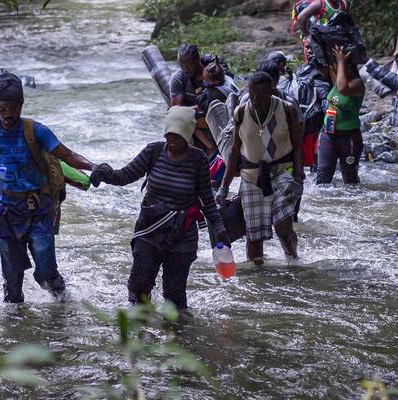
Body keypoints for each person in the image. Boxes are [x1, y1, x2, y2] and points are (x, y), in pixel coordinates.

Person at [89, 106, 227, 310]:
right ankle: (141, 331)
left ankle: (179, 334)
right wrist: (104, 172)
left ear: (188, 134)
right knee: (139, 287)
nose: (172, 139)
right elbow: (125, 176)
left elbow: (206, 198)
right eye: (168, 134)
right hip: (150, 230)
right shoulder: (153, 151)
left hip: (182, 236)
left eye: (177, 135)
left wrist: (219, 228)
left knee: (174, 296)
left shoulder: (197, 159)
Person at [0, 72, 93, 303]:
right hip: (7, 212)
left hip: (39, 210)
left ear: (21, 105)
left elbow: (67, 155)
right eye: (2, 109)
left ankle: (64, 304)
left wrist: (94, 167)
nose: (8, 114)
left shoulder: (36, 131)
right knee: (11, 279)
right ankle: (15, 325)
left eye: (13, 108)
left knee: (45, 272)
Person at [217, 72, 305, 265]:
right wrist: (224, 187)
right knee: (254, 235)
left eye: (262, 96)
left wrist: (299, 178)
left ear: (272, 92)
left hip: (283, 172)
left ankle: (293, 261)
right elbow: (234, 151)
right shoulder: (240, 112)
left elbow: (298, 146)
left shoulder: (287, 110)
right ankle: (257, 275)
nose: (256, 100)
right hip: (251, 176)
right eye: (253, 95)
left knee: (283, 225)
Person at [316, 45, 366, 185]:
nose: (336, 67)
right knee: (322, 178)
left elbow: (343, 88)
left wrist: (342, 61)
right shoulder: (336, 79)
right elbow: (323, 65)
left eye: (339, 64)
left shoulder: (357, 84)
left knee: (350, 179)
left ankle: (351, 206)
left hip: (349, 137)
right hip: (329, 134)